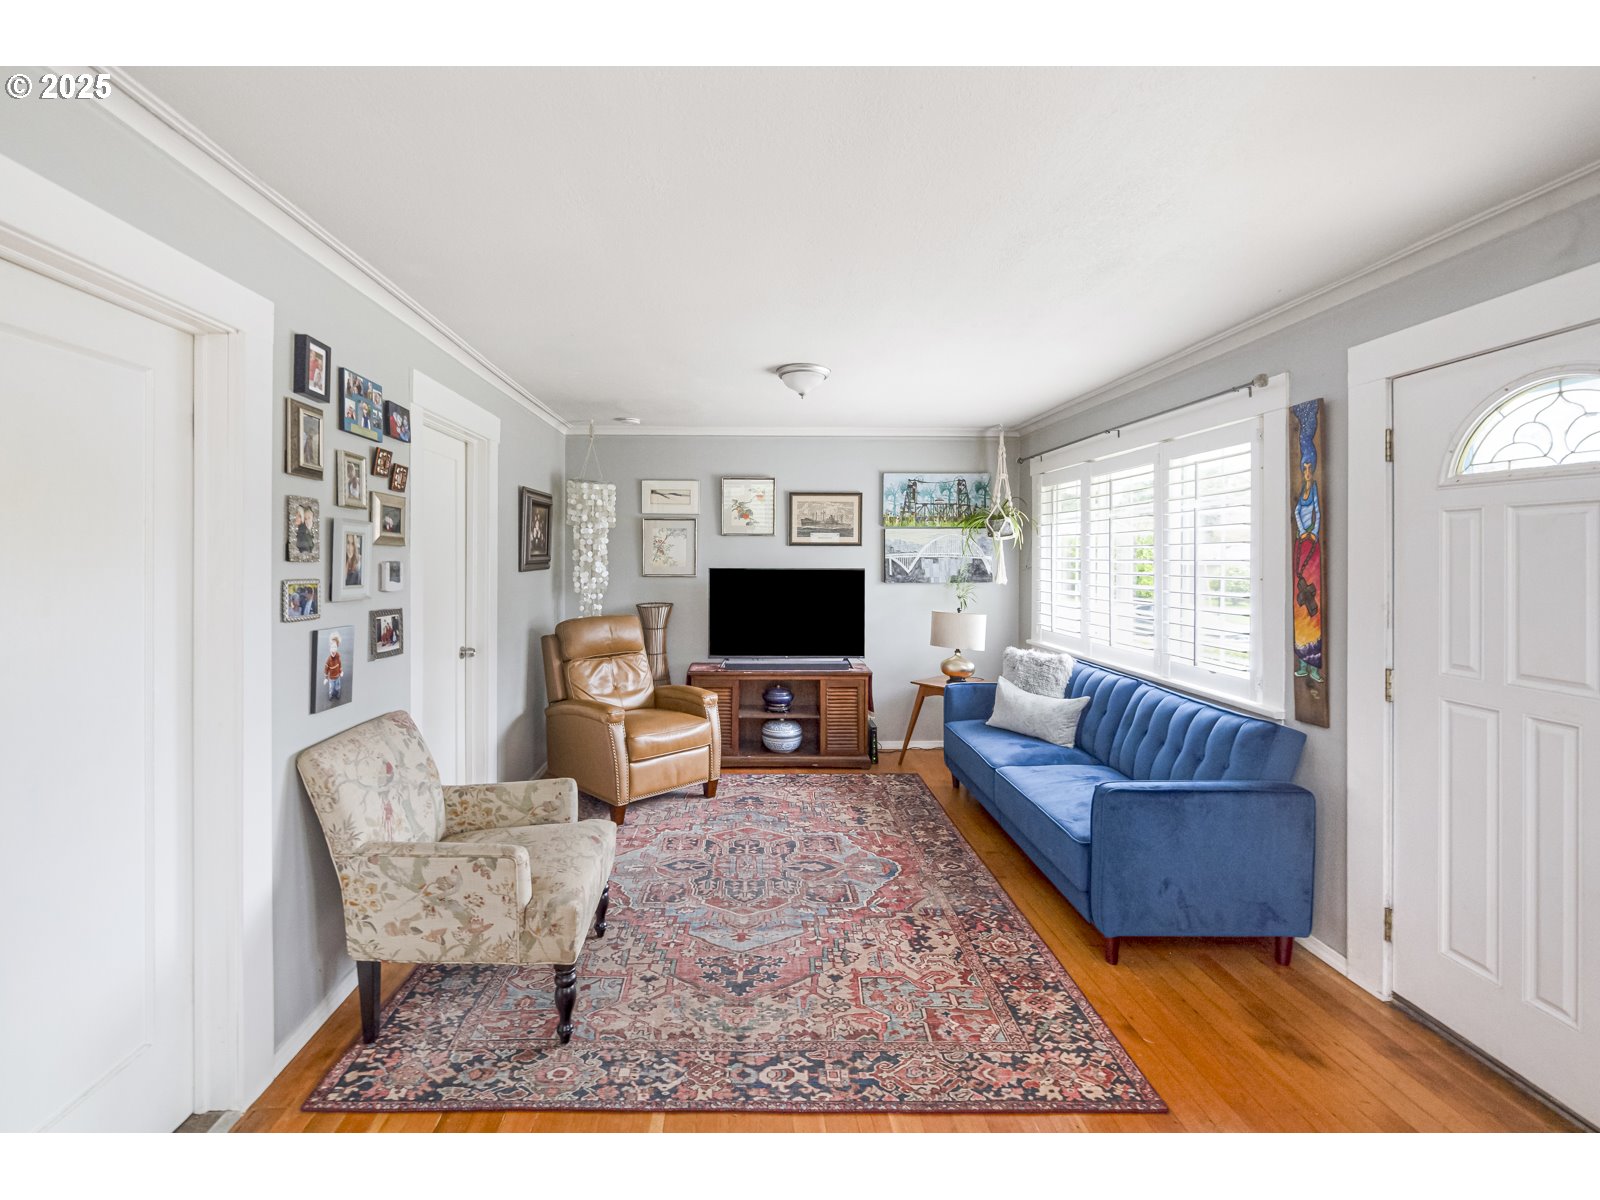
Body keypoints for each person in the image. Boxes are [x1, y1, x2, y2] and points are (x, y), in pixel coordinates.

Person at [324, 634, 344, 704]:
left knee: (337, 687)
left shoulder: (338, 656)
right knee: (331, 688)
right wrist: (326, 678)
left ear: (337, 647)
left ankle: (338, 694)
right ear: (330, 648)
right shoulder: (328, 660)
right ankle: (330, 695)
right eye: (332, 647)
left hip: (338, 677)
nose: (333, 649)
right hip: (331, 678)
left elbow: (340, 664)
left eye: (335, 647)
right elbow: (326, 669)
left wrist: (341, 671)